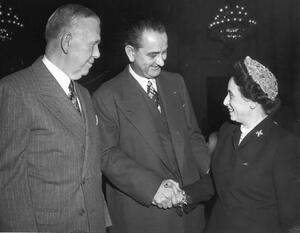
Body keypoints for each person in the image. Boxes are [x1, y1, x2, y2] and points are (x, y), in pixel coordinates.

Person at [92, 18, 212, 233]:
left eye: (164, 52)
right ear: (130, 52)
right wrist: (153, 187)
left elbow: (193, 135)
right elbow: (107, 155)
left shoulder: (177, 82)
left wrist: (212, 169)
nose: (162, 62)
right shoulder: (106, 95)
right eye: (153, 55)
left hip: (190, 212)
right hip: (144, 215)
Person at [0, 4, 110, 232]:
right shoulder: (15, 91)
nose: (98, 53)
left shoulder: (85, 95)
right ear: (67, 42)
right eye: (94, 44)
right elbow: (8, 187)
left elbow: (90, 170)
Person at [183, 56, 300, 233]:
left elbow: (291, 218)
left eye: (230, 96)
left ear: (252, 102)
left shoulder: (283, 144)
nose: (224, 101)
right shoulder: (227, 131)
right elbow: (217, 180)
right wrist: (183, 195)